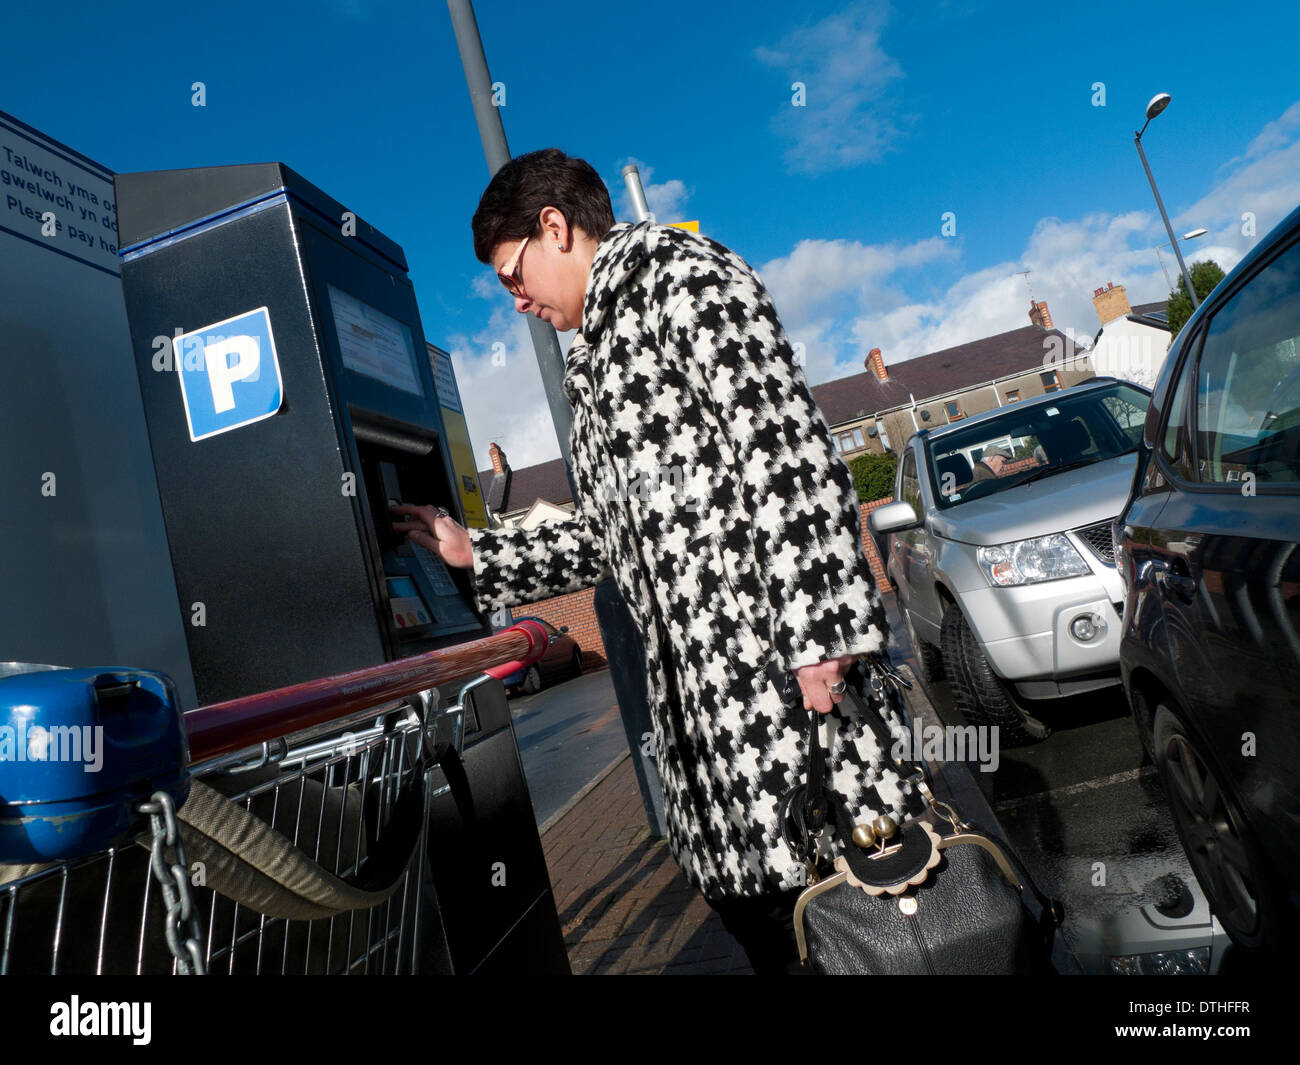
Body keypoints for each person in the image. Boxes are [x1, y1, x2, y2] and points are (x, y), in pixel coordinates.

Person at [392, 148, 925, 974]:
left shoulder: (682, 276)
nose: (517, 298)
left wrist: (822, 635)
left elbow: (784, 448)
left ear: (555, 228)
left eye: (511, 274)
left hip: (787, 703)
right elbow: (607, 531)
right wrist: (475, 553)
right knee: (775, 933)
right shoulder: (591, 363)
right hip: (708, 744)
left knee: (864, 930)